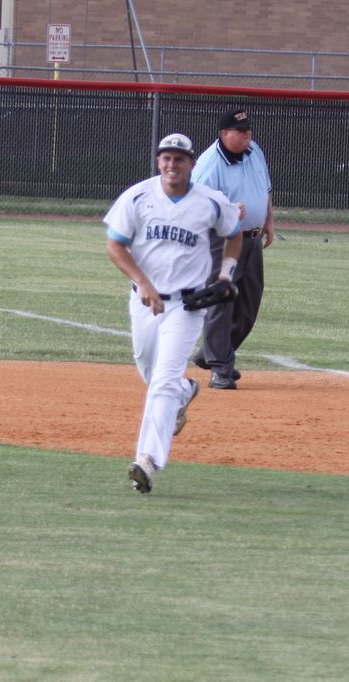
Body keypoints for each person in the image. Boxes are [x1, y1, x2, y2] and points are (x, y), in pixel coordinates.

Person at [105, 132, 244, 493]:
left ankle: (147, 461)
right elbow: (115, 245)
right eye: (166, 158)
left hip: (187, 305)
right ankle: (185, 391)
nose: (172, 164)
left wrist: (226, 274)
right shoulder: (137, 196)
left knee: (163, 381)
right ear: (158, 161)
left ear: (191, 164)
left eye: (179, 159)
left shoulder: (209, 202)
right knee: (150, 373)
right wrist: (143, 282)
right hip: (144, 302)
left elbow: (235, 232)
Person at [191, 108, 275, 390]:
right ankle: (220, 368)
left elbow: (265, 189)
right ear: (225, 134)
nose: (247, 133)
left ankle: (212, 352)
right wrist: (225, 212)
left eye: (248, 128)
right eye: (240, 130)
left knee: (249, 306)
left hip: (251, 239)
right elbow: (196, 207)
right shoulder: (210, 164)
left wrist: (268, 221)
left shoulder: (255, 151)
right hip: (221, 240)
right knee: (221, 301)